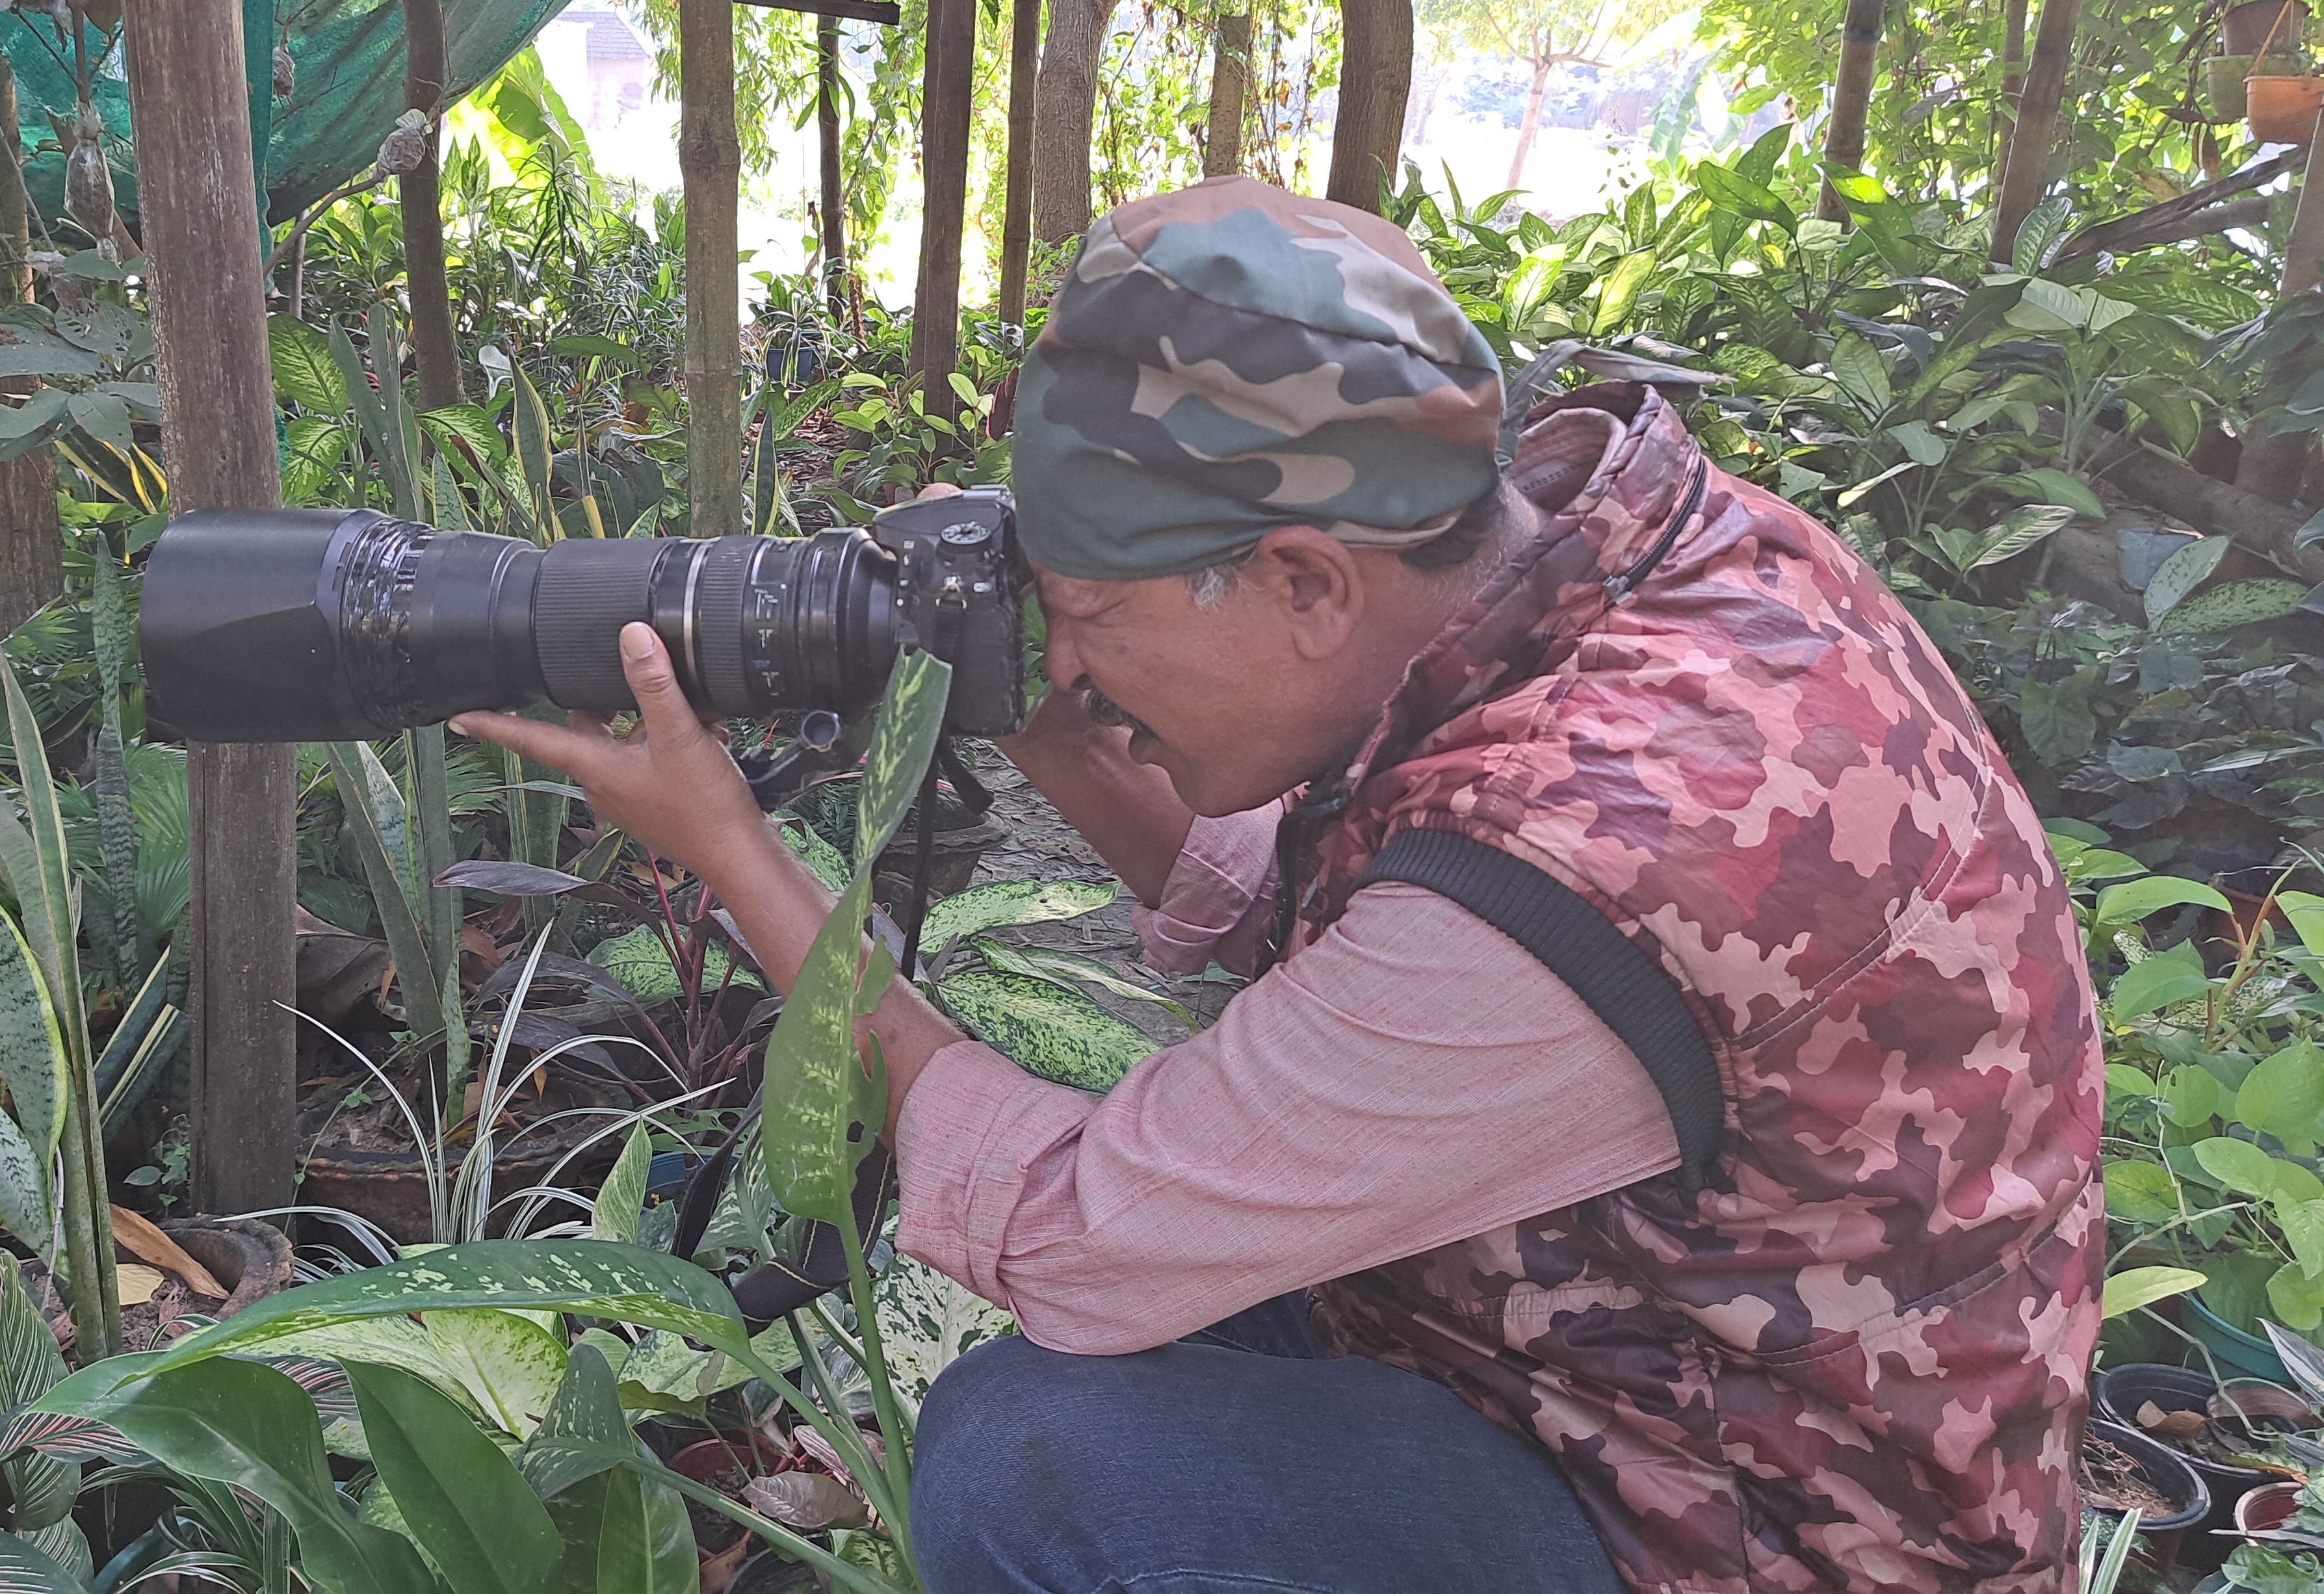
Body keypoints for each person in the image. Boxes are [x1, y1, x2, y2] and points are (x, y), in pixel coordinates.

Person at [455, 176, 2102, 1594]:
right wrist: (1052, 728)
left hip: (1749, 1535)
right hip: (1628, 1370)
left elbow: (1086, 1232)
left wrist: (735, 852)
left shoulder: (1588, 863)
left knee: (1044, 1459)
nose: (1076, 664)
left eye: (1091, 624)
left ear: (1308, 582)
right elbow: (1326, 909)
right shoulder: (1640, 565)